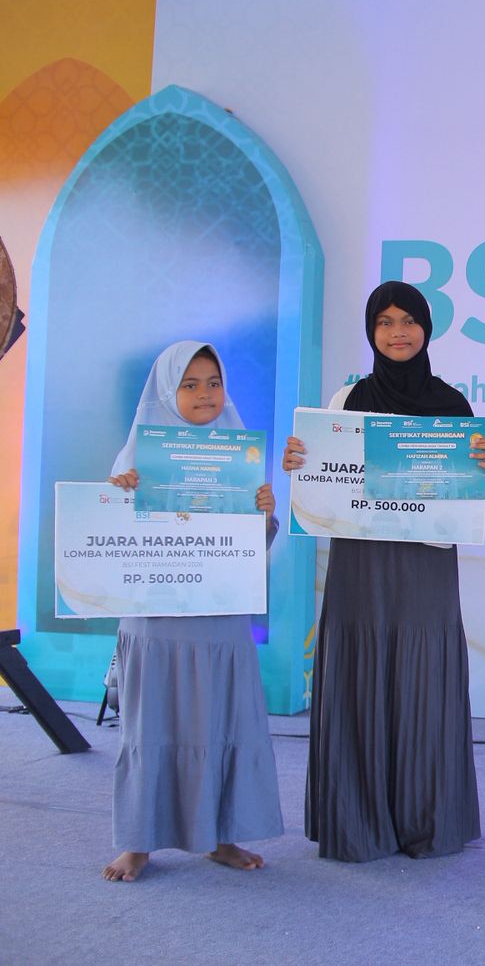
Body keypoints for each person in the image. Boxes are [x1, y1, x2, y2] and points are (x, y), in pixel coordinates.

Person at [282, 281, 485, 862]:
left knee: (423, 677)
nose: (398, 332)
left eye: (409, 320)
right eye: (384, 321)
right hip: (362, 561)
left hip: (426, 563)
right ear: (370, 331)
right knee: (361, 672)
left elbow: (468, 492)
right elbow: (324, 478)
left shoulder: (453, 405)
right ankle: (359, 821)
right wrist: (299, 464)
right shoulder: (345, 401)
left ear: (427, 329)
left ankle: (424, 820)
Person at [101, 342, 282, 881]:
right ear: (165, 391)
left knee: (221, 719)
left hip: (220, 617)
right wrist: (119, 497)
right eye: (190, 384)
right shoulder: (135, 460)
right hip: (156, 620)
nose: (205, 394)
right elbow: (111, 542)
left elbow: (255, 550)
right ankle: (138, 841)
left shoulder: (237, 453)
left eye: (213, 382)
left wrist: (264, 517)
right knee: (149, 721)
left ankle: (220, 837)